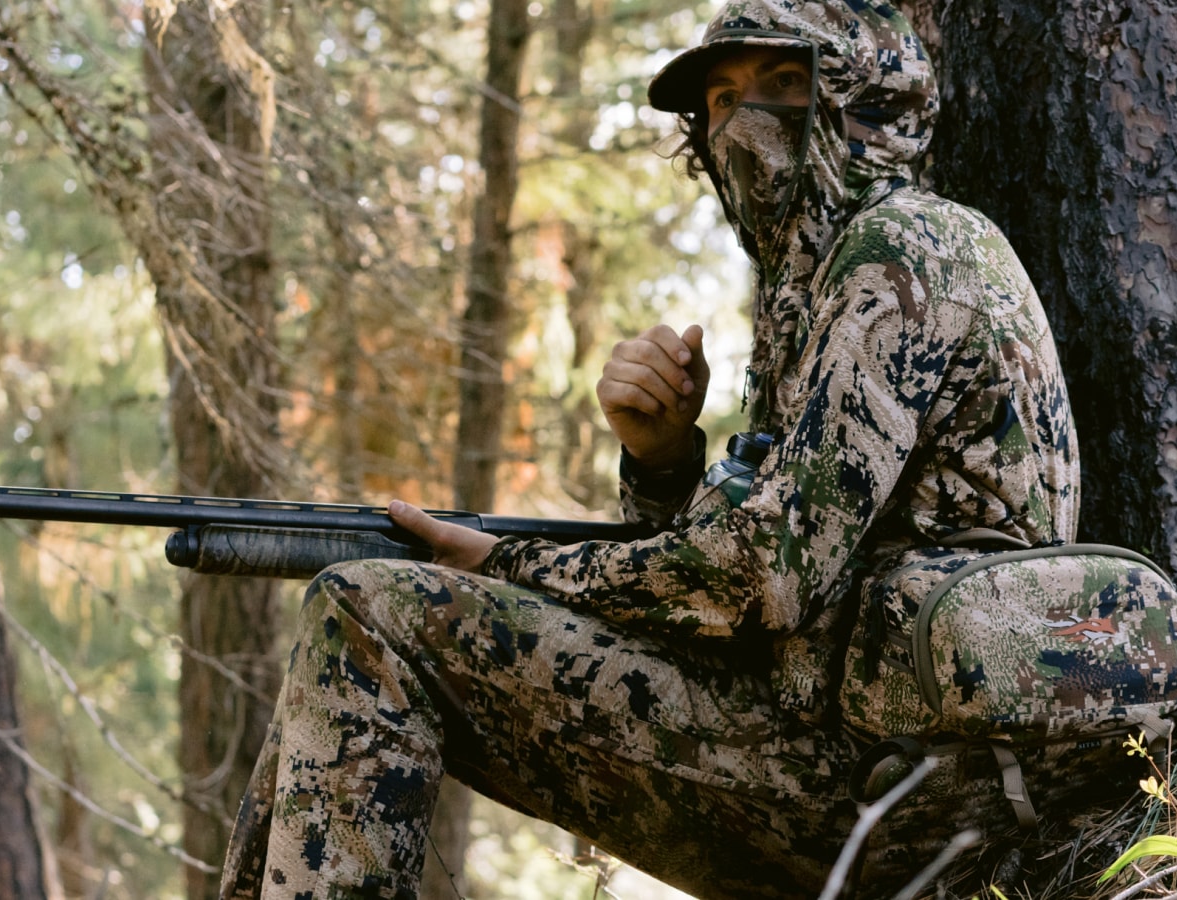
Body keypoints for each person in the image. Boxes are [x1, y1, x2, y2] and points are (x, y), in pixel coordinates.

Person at [218, 1, 1104, 896]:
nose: (741, 124)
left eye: (783, 85)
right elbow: (740, 590)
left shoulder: (908, 251)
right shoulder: (811, 286)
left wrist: (508, 563)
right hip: (834, 753)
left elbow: (760, 581)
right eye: (721, 98)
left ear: (865, 98)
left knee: (371, 615)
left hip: (892, 786)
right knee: (356, 619)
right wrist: (664, 462)